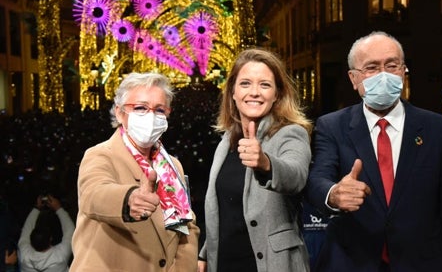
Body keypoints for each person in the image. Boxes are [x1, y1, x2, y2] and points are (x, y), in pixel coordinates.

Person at [305, 31, 442, 272]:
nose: (384, 75)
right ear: (354, 79)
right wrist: (333, 194)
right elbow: (317, 178)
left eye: (392, 65)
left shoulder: (439, 129)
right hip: (354, 262)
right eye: (372, 68)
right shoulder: (332, 126)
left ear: (404, 72)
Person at [69, 72, 199, 272]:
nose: (150, 116)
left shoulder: (172, 165)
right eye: (140, 108)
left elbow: (187, 227)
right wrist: (129, 199)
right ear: (120, 113)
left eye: (159, 110)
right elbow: (93, 194)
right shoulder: (100, 155)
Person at [198, 48, 313, 272]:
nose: (254, 92)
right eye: (245, 83)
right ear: (232, 92)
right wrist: (205, 253)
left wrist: (266, 163)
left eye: (265, 85)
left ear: (277, 94)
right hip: (224, 264)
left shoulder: (291, 133)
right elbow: (225, 210)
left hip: (271, 264)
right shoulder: (227, 140)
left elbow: (296, 175)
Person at [17, 194, 74, 272]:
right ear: (51, 238)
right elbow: (70, 230)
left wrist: (36, 208)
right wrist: (58, 208)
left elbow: (26, 229)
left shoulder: (24, 254)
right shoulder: (60, 256)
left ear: (30, 241)